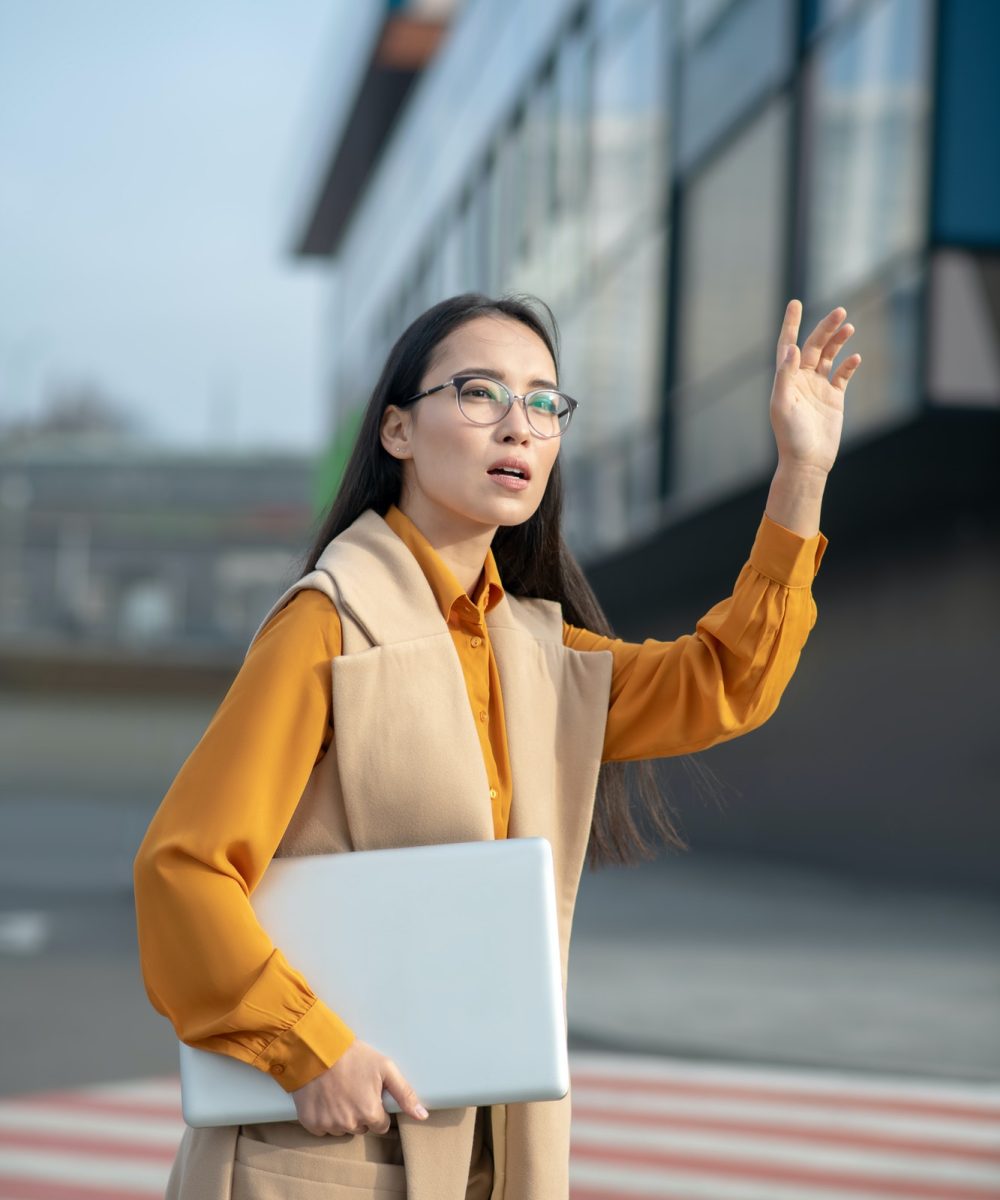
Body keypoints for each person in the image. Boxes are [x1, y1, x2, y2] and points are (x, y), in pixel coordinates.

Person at [133, 291, 860, 1199]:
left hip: (493, 1156)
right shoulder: (327, 624)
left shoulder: (537, 654)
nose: (519, 425)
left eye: (544, 402)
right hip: (330, 1146)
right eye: (480, 393)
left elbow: (724, 683)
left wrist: (801, 472)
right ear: (397, 430)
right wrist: (308, 1050)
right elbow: (183, 870)